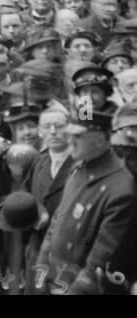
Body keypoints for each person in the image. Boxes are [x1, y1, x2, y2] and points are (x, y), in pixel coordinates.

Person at [34, 104, 137, 294]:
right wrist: (40, 274)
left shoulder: (120, 187)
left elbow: (99, 261)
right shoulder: (78, 169)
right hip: (54, 280)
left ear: (99, 140)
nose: (70, 141)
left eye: (78, 136)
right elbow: (55, 226)